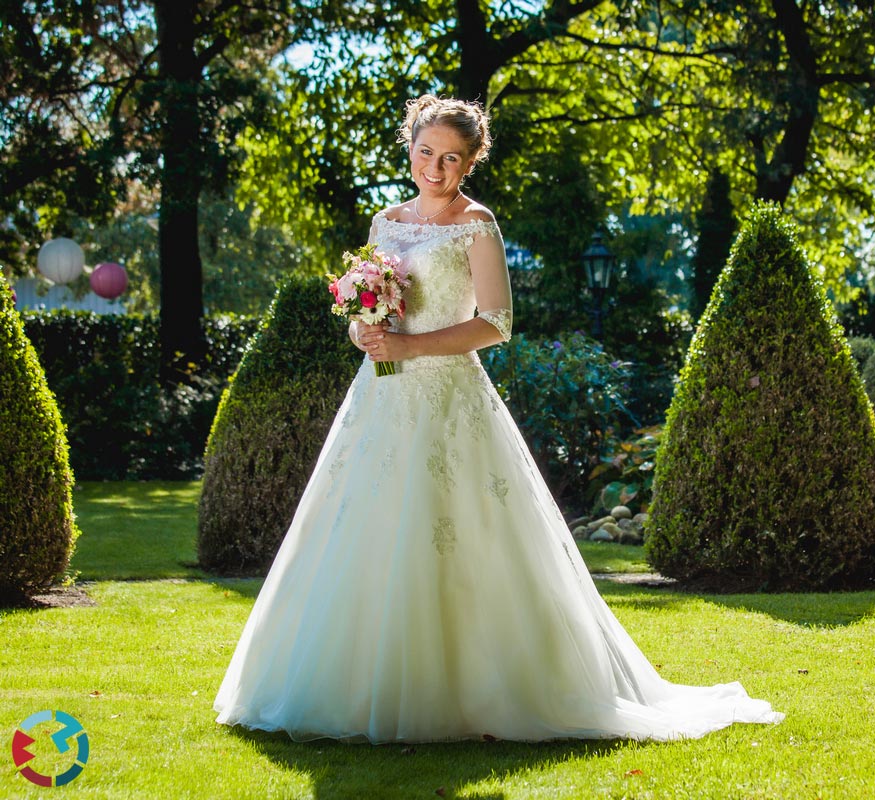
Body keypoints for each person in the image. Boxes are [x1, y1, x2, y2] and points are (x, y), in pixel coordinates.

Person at [213, 94, 783, 743]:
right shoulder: (385, 220)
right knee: (364, 531)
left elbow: (497, 323)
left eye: (451, 158)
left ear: (471, 161)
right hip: (379, 397)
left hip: (451, 398)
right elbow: (363, 313)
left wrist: (412, 346)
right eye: (426, 152)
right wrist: (366, 334)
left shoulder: (476, 224)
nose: (436, 167)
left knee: (461, 533)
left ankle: (481, 689)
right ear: (409, 147)